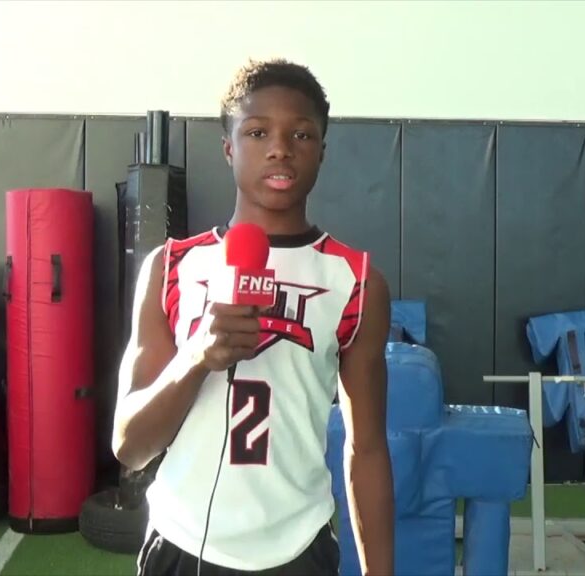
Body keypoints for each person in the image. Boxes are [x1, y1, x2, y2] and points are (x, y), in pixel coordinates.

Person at [113, 59, 394, 575]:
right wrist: (196, 356)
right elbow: (129, 446)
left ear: (322, 152)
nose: (280, 147)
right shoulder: (172, 267)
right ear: (228, 147)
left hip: (297, 549)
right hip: (182, 543)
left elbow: (367, 449)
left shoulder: (355, 281)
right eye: (258, 131)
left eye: (302, 133)